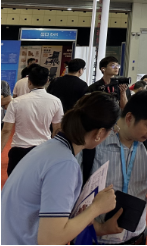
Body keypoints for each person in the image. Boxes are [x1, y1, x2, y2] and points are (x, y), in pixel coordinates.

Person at [1, 92, 122, 245]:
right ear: (99, 133)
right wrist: (96, 208)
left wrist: (81, 216)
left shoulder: (51, 148)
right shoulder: (64, 164)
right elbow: (50, 240)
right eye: (113, 129)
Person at [82, 90, 147, 245]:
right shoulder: (96, 141)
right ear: (129, 118)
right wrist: (100, 228)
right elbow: (73, 197)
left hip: (136, 235)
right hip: (96, 238)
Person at [1, 64, 64, 175]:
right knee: (38, 181)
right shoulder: (56, 101)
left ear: (29, 82)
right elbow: (57, 128)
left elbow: (6, 130)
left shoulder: (16, 102)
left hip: (19, 149)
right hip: (43, 149)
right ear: (47, 81)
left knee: (15, 182)